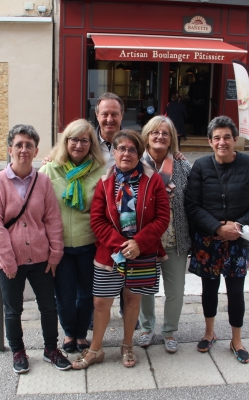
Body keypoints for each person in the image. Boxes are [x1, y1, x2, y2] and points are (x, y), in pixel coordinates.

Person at [72, 130, 170, 370]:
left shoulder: (153, 179)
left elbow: (162, 217)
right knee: (100, 303)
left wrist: (139, 243)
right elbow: (97, 220)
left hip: (142, 252)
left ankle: (127, 345)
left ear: (139, 153)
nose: (126, 153)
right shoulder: (105, 182)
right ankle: (95, 349)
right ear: (113, 152)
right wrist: (121, 245)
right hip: (111, 254)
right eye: (121, 149)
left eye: (132, 149)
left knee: (132, 300)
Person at [0, 124, 71, 374]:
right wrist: (8, 261)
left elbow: (52, 219)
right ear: (10, 149)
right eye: (19, 145)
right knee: (13, 310)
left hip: (41, 259)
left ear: (36, 152)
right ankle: (18, 351)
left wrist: (55, 254)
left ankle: (50, 349)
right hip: (10, 262)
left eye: (29, 146)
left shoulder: (42, 182)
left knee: (48, 306)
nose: (24, 149)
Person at [184, 116, 249, 364]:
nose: (222, 142)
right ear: (210, 141)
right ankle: (209, 333)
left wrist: (238, 225)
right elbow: (192, 205)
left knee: (236, 292)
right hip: (209, 240)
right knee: (209, 289)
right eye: (217, 137)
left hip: (237, 239)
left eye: (227, 137)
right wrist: (218, 227)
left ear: (235, 140)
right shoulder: (201, 166)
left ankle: (237, 339)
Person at [39, 119, 106, 354]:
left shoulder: (101, 171)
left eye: (84, 140)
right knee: (65, 296)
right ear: (66, 141)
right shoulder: (49, 170)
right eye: (74, 139)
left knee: (87, 294)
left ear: (91, 144)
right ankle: (68, 332)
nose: (78, 145)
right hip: (60, 246)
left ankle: (81, 334)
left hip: (90, 244)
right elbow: (37, 207)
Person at [138, 116, 192, 354]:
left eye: (165, 133)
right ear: (147, 136)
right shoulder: (135, 164)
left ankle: (169, 330)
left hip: (175, 240)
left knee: (176, 290)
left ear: (172, 139)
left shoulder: (182, 166)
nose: (160, 137)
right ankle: (146, 328)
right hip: (145, 241)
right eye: (155, 133)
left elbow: (194, 201)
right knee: (145, 289)